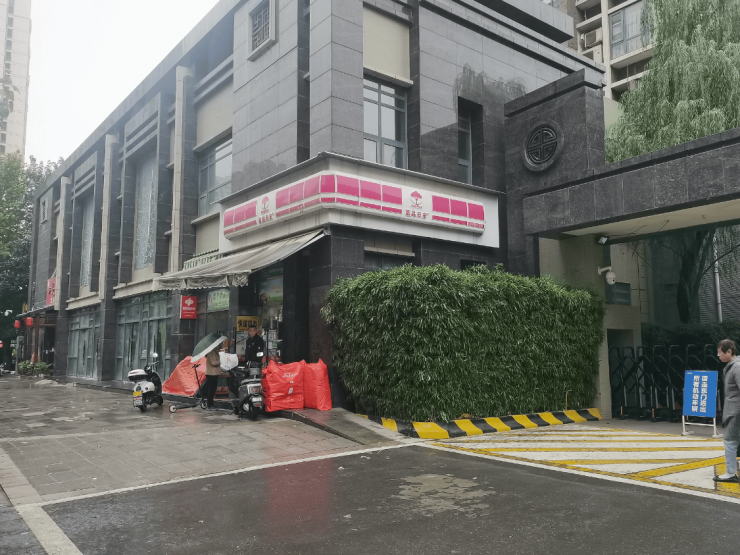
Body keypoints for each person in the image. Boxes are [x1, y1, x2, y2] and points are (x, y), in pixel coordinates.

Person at [715, 339, 740, 483]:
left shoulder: (737, 367)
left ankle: (730, 473)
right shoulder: (732, 366)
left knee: (730, 441)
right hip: (734, 411)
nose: (718, 355)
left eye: (720, 352)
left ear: (729, 352)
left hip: (736, 412)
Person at [203, 346, 222, 410]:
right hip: (211, 373)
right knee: (211, 390)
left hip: (214, 373)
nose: (219, 346)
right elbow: (213, 362)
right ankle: (209, 405)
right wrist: (221, 361)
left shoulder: (215, 352)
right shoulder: (211, 352)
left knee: (213, 389)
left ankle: (211, 404)